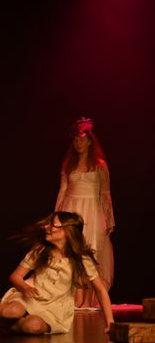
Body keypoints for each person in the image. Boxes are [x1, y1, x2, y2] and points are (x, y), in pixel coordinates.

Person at [0, 211, 114, 335]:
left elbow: (100, 290)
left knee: (33, 327)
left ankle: (0, 323)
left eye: (52, 225)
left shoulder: (81, 259)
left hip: (55, 309)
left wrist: (110, 322)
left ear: (67, 232)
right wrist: (24, 287)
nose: (46, 227)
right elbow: (15, 276)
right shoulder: (41, 251)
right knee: (13, 311)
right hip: (28, 300)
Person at [55, 117, 115, 308]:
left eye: (81, 139)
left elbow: (105, 194)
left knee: (90, 253)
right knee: (72, 253)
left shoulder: (99, 165)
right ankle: (75, 298)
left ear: (90, 141)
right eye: (75, 140)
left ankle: (88, 299)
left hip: (92, 211)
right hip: (71, 208)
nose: (78, 143)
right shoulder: (68, 164)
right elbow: (62, 190)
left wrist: (109, 219)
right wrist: (56, 215)